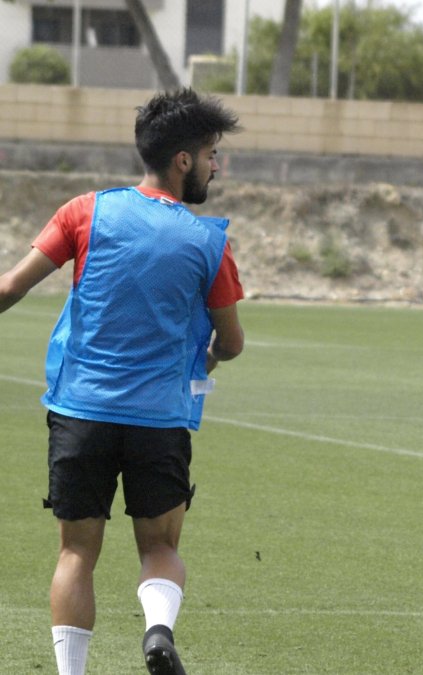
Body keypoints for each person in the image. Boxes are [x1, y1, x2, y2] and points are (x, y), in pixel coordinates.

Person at [0, 88, 245, 675]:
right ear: (183, 160)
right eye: (211, 154)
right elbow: (232, 342)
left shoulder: (84, 211)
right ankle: (157, 631)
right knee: (160, 546)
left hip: (81, 412)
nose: (216, 166)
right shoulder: (209, 242)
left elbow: (9, 288)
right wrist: (203, 364)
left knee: (76, 553)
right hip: (159, 419)